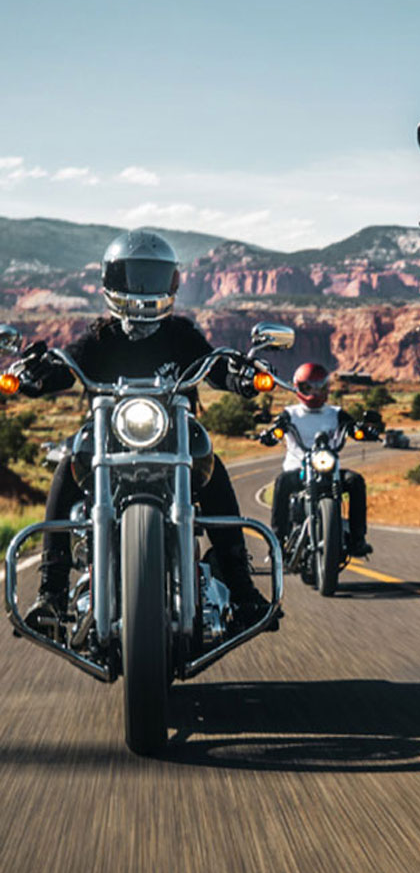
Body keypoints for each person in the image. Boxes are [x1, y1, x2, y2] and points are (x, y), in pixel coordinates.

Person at [20, 228, 269, 633]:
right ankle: (51, 593)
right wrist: (37, 375)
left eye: (153, 276)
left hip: (175, 440)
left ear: (172, 281)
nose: (142, 287)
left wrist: (239, 376)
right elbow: (65, 367)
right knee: (68, 464)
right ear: (112, 279)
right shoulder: (100, 337)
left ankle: (243, 591)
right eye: (134, 276)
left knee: (212, 464)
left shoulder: (181, 335)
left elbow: (215, 366)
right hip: (109, 442)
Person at [269, 362, 372, 557]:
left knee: (355, 481)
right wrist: (272, 433)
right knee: (282, 482)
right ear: (298, 387)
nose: (314, 392)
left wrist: (362, 431)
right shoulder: (290, 414)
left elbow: (352, 427)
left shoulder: (336, 413)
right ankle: (277, 540)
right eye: (309, 387)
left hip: (329, 471)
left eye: (319, 387)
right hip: (299, 471)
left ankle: (358, 539)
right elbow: (277, 429)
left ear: (327, 387)